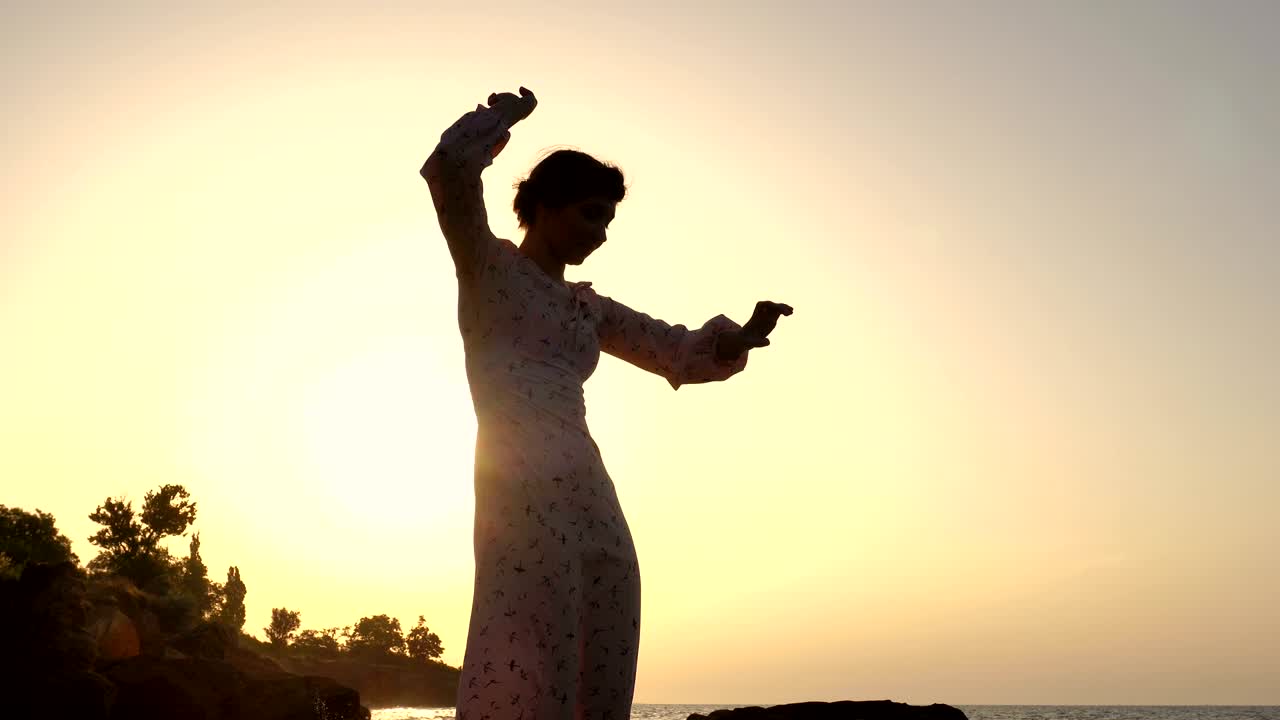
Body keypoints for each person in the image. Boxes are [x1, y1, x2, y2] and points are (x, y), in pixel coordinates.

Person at [420, 87, 792, 720]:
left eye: (607, 222)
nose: (599, 234)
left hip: (589, 487)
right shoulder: (487, 269)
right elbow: (448, 171)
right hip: (518, 483)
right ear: (541, 206)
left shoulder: (589, 307)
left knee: (608, 613)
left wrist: (742, 336)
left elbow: (672, 350)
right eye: (590, 215)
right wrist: (501, 120)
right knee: (530, 631)